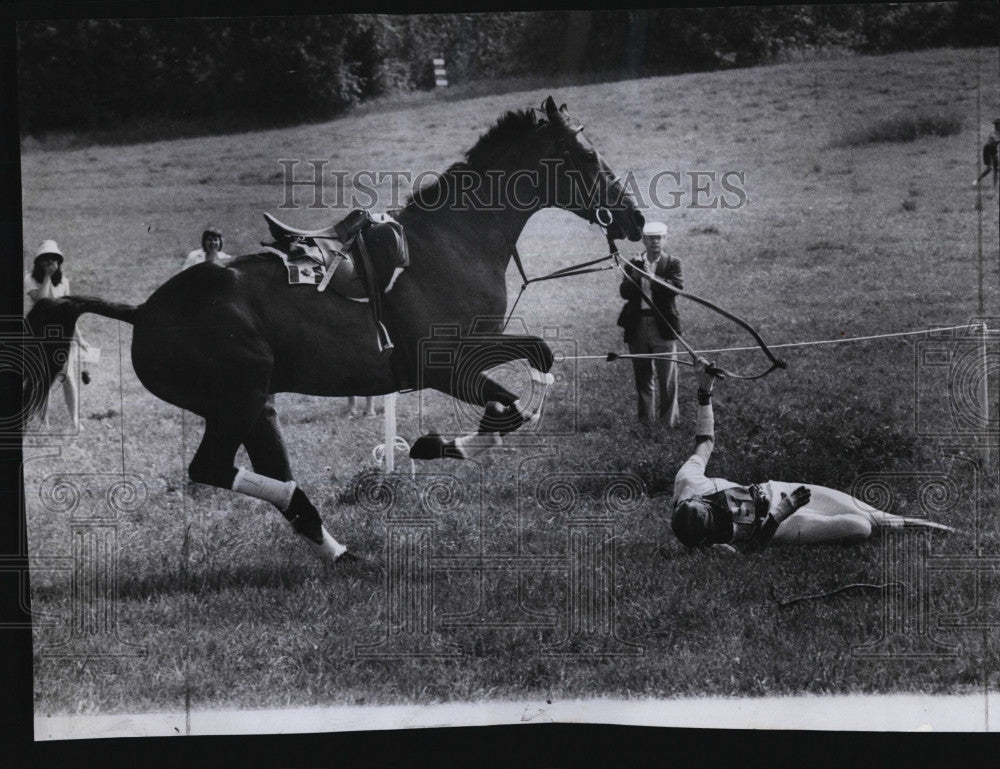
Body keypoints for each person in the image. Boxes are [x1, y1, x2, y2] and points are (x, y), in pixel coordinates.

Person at [669, 360, 954, 554]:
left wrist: (704, 390)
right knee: (861, 527)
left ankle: (946, 532)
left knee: (873, 515)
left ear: (694, 499)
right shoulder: (704, 543)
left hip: (777, 491)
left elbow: (705, 441)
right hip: (782, 526)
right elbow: (751, 549)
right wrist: (780, 515)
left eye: (707, 507)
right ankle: (928, 530)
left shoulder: (688, 482)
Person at [616, 220, 682, 425]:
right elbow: (624, 293)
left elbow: (675, 289)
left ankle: (668, 423)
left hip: (662, 325)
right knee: (643, 376)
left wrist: (652, 277)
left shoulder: (672, 262)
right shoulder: (633, 262)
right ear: (644, 240)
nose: (655, 241)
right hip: (637, 325)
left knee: (667, 377)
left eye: (659, 237)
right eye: (651, 238)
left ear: (665, 239)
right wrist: (636, 276)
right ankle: (646, 422)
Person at [24, 240, 91, 431]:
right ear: (39, 262)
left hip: (60, 335)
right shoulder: (30, 279)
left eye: (54, 259)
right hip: (37, 334)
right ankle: (42, 421)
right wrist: (47, 276)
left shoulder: (64, 283)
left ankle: (75, 420)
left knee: (68, 376)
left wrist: (79, 337)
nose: (50, 262)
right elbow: (42, 302)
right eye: (46, 260)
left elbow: (69, 313)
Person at [974, 118, 1000, 190]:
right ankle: (977, 180)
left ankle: (994, 188)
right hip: (988, 149)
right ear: (996, 125)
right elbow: (995, 142)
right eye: (998, 124)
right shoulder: (993, 131)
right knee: (989, 169)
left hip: (994, 149)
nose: (998, 126)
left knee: (996, 169)